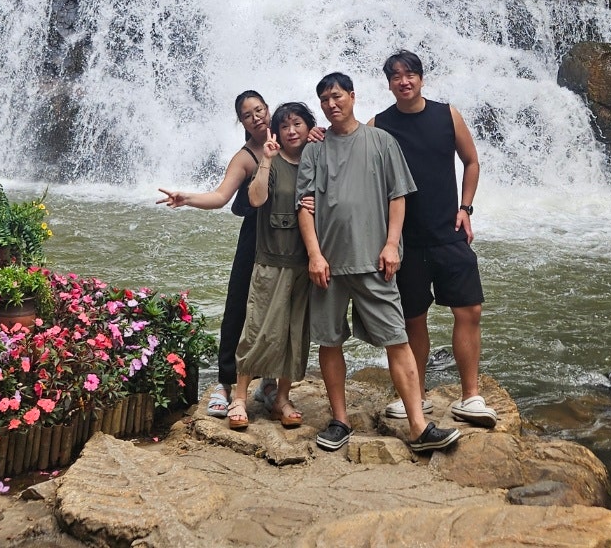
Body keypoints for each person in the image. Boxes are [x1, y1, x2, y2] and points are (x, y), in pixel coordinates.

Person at [296, 72, 460, 455]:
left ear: (353, 96)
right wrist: (315, 255)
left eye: (337, 96)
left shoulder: (382, 141)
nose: (331, 104)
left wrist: (391, 245)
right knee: (330, 341)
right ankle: (340, 420)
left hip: (375, 261)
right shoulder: (314, 149)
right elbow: (305, 205)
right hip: (329, 267)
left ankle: (418, 427)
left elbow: (397, 196)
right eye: (324, 100)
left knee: (397, 339)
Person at [371, 50, 497, 428]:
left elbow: (471, 161)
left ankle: (471, 396)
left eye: (410, 74)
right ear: (389, 83)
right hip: (405, 240)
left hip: (449, 231)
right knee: (414, 318)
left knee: (469, 309)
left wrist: (466, 208)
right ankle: (417, 396)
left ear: (421, 79)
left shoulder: (447, 115)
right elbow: (350, 148)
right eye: (396, 76)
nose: (403, 81)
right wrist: (317, 134)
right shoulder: (380, 125)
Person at [157, 90, 277, 418]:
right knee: (238, 307)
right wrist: (186, 198)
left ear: (269, 109)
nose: (257, 117)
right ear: (241, 122)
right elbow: (221, 196)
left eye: (260, 110)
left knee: (277, 310)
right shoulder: (244, 157)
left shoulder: (291, 135)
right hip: (254, 238)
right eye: (248, 114)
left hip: (286, 239)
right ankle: (225, 383)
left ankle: (269, 382)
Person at [228, 102, 316, 431]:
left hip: (303, 262)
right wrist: (265, 159)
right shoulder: (272, 161)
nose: (292, 131)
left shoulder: (315, 160)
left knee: (294, 332)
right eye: (286, 126)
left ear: (310, 128)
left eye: (299, 124)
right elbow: (255, 199)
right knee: (258, 329)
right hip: (270, 261)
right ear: (276, 131)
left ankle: (282, 397)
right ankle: (239, 397)